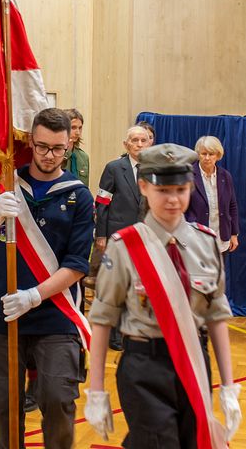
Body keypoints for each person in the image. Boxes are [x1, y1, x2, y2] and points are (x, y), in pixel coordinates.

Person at [85, 143, 242, 448]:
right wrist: (95, 390)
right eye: (163, 190)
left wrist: (228, 386)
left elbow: (217, 315)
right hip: (144, 367)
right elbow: (103, 319)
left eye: (181, 190)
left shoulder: (206, 243)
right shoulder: (124, 246)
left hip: (194, 360)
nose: (173, 199)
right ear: (144, 186)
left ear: (191, 187)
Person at [0, 108, 94, 449]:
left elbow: (78, 264)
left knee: (57, 399)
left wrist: (34, 296)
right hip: (0, 315)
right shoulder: (4, 185)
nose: (48, 155)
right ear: (30, 143)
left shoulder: (79, 196)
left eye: (57, 148)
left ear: (69, 144)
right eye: (41, 147)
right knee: (4, 411)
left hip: (54, 314)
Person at [91, 125, 150, 349]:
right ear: (126, 144)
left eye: (143, 140)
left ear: (149, 143)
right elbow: (102, 203)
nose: (139, 145)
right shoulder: (114, 168)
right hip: (117, 238)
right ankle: (114, 336)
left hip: (145, 239)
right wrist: (102, 235)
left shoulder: (153, 169)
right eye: (134, 140)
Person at [185, 136, 239, 257]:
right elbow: (181, 209)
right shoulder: (188, 175)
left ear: (218, 155)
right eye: (204, 153)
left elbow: (232, 205)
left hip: (221, 237)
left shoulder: (226, 176)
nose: (207, 158)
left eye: (211, 154)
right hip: (196, 238)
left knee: (219, 275)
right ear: (198, 154)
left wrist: (234, 233)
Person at [62, 108, 90, 185]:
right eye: (73, 127)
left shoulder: (83, 157)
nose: (78, 132)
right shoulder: (55, 154)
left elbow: (85, 187)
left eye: (80, 128)